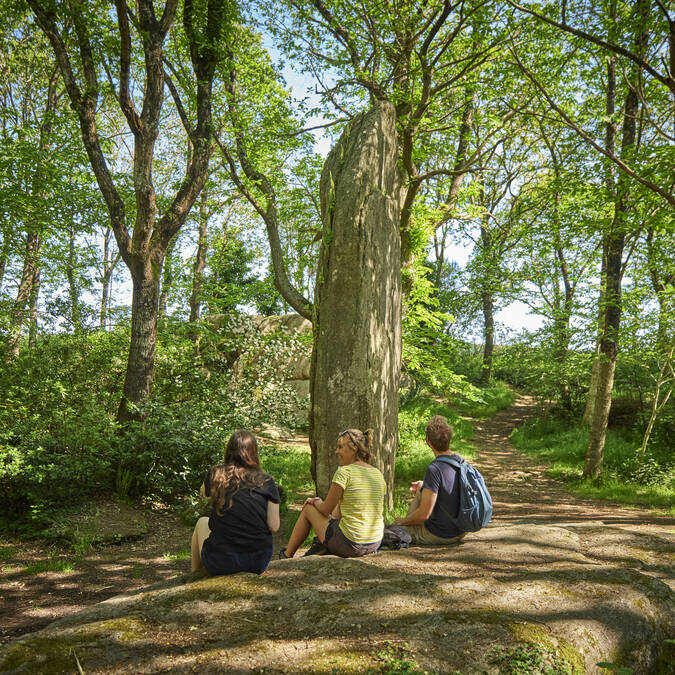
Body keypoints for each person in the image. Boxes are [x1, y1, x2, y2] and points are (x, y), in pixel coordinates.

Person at [279, 428, 386, 559]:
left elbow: (325, 510)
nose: (337, 451)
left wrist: (315, 501)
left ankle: (286, 555)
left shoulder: (345, 472)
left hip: (351, 545)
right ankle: (321, 544)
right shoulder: (377, 473)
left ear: (354, 449)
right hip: (374, 543)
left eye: (340, 447)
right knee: (340, 505)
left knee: (308, 508)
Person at [191, 430, 280, 575]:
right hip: (257, 561)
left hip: (221, 561)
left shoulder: (216, 474)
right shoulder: (266, 481)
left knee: (202, 522)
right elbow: (274, 526)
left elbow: (203, 493)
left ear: (229, 451)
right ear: (254, 453)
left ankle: (194, 576)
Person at [393, 415, 466, 545]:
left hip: (441, 535)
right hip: (461, 530)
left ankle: (405, 528)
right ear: (449, 439)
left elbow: (424, 515)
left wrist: (403, 521)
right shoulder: (460, 462)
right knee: (421, 486)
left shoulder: (434, 469)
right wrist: (423, 485)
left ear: (428, 441)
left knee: (398, 531)